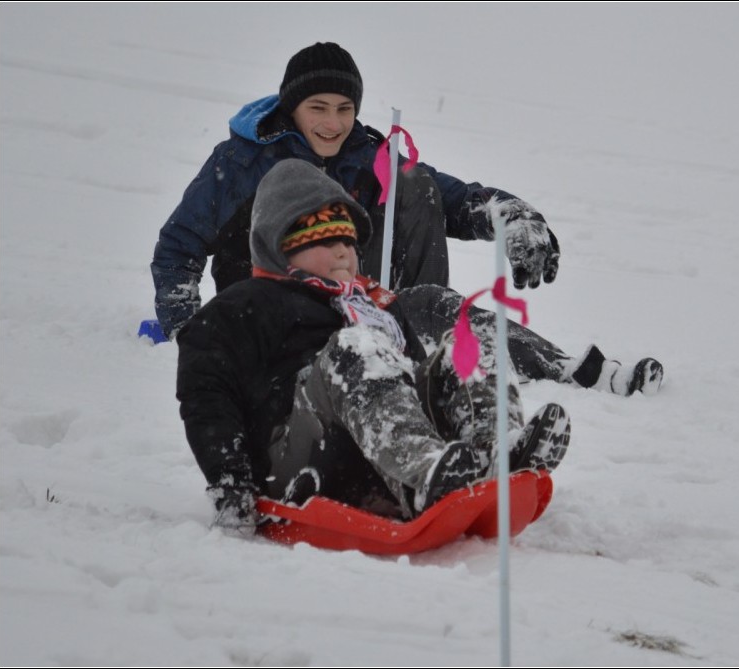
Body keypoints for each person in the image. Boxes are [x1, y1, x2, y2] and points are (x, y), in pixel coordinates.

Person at [177, 159, 571, 535]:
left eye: (347, 240)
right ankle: (423, 472)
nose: (341, 252)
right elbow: (207, 393)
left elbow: (413, 384)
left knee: (464, 350)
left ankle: (494, 452)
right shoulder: (248, 303)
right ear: (281, 250)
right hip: (300, 464)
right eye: (322, 240)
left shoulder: (375, 306)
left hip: (380, 452)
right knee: (356, 346)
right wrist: (232, 487)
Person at [154, 41, 561, 340]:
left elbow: (455, 198)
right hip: (269, 312)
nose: (333, 123)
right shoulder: (242, 160)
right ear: (291, 107)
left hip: (356, 301)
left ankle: (421, 328)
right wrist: (187, 334)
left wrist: (513, 217)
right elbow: (178, 247)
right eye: (318, 107)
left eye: (344, 109)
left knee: (416, 183)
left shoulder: (368, 154)